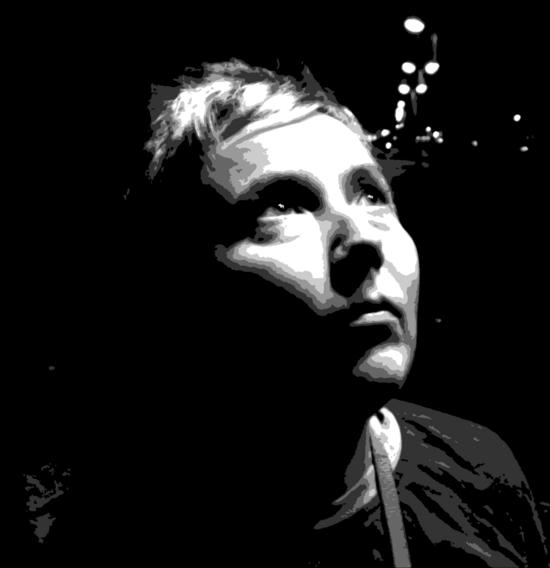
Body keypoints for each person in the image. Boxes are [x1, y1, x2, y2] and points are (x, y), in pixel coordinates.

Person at [21, 59, 547, 566]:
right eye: (282, 206)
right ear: (173, 279)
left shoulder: (480, 472)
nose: (363, 240)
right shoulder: (76, 530)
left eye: (371, 195)